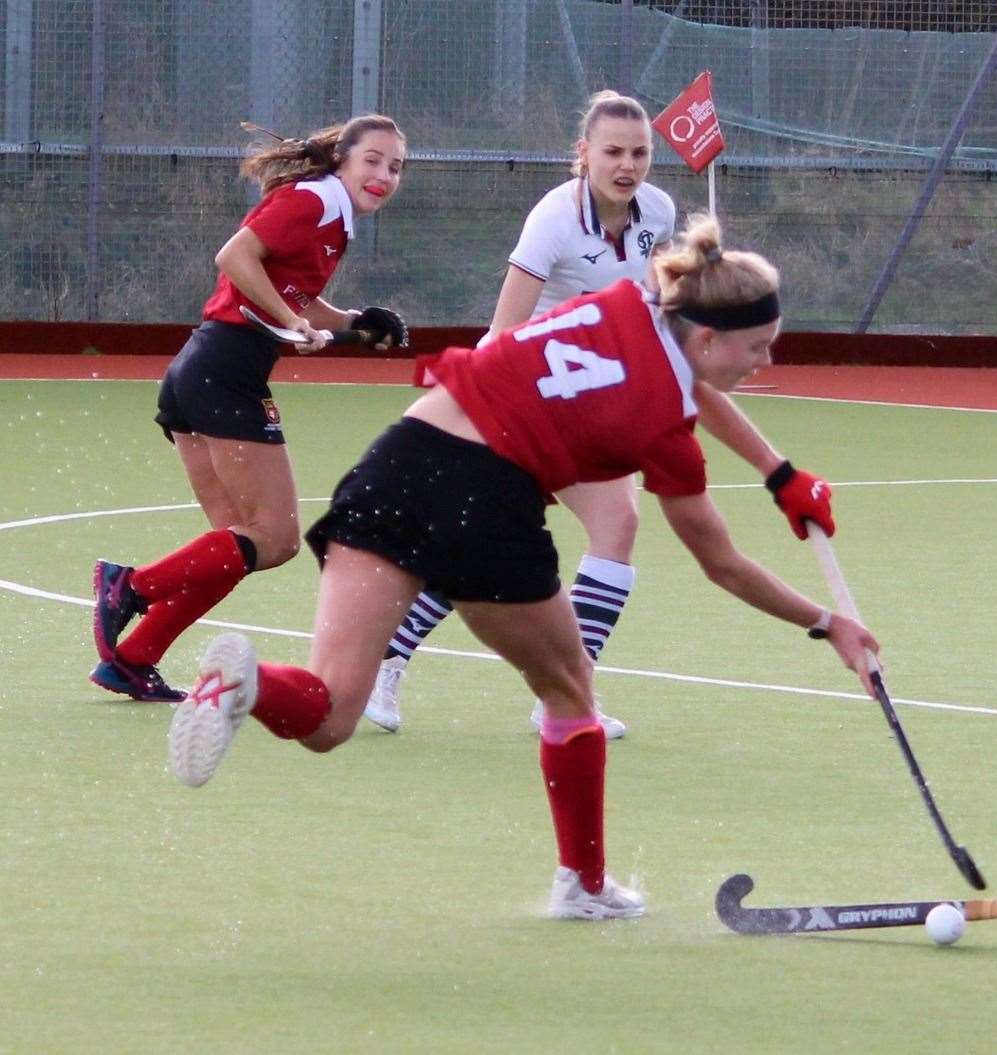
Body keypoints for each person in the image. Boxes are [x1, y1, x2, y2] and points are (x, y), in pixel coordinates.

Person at [164, 215, 879, 921]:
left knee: (329, 713)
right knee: (569, 690)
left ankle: (247, 684)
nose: (767, 362)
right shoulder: (666, 430)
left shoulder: (627, 300)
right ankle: (585, 885)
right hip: (487, 496)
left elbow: (689, 380)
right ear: (709, 335)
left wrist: (775, 469)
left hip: (398, 459)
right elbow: (721, 563)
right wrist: (827, 621)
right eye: (759, 346)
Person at [361, 89, 830, 740]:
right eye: (612, 151)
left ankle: (564, 693)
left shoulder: (658, 212)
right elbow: (502, 330)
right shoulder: (554, 219)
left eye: (639, 153)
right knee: (482, 541)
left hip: (602, 405)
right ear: (582, 154)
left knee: (619, 524)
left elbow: (668, 340)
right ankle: (388, 659)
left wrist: (772, 465)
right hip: (529, 399)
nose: (627, 165)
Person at [88, 115, 410, 702]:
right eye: (373, 160)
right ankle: (129, 586)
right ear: (342, 158)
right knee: (277, 539)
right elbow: (235, 257)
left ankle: (133, 660)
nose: (384, 175)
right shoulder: (314, 201)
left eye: (396, 166)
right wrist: (292, 324)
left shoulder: (331, 217)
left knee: (231, 548)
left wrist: (355, 325)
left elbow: (295, 296)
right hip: (225, 374)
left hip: (200, 369)